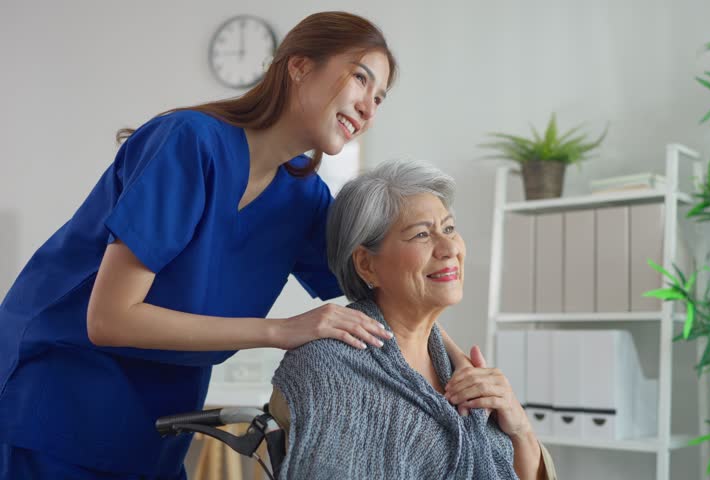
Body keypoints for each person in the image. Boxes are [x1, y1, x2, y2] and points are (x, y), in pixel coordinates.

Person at [0, 11, 422, 479]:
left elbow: (386, 298)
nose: (368, 107)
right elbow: (109, 319)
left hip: (154, 432)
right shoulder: (189, 142)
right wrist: (279, 329)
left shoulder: (302, 198)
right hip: (56, 407)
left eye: (380, 98)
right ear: (299, 66)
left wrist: (461, 370)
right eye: (361, 79)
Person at [270, 161, 556, 479]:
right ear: (366, 265)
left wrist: (519, 427)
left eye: (449, 228)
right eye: (422, 234)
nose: (449, 248)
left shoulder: (456, 365)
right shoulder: (328, 368)